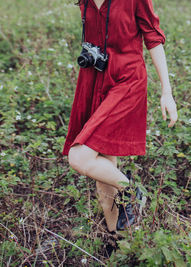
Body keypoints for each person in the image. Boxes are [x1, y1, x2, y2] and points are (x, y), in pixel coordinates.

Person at [62, 0, 178, 233]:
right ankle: (118, 239)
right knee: (104, 169)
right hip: (93, 79)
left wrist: (167, 92)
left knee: (79, 158)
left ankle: (132, 191)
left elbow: (153, 39)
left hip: (126, 81)